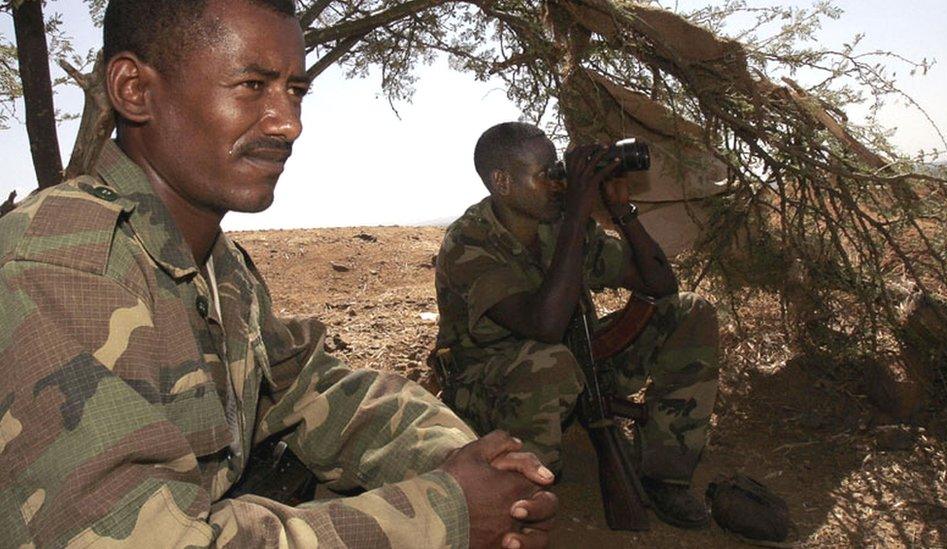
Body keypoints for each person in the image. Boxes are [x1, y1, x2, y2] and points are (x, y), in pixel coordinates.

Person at [0, 2, 557, 547]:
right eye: (251, 86)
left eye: (295, 91)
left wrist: (464, 461)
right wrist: (446, 512)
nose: (288, 124)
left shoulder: (215, 264)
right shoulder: (58, 269)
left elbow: (311, 386)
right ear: (133, 90)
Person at [433, 122, 721, 529]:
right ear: (503, 182)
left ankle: (665, 474)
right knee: (549, 364)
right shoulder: (469, 242)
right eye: (545, 173)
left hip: (572, 355)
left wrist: (622, 211)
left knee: (690, 311)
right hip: (489, 381)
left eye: (557, 170)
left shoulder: (560, 225)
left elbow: (660, 284)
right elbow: (545, 325)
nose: (557, 183)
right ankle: (518, 506)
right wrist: (578, 212)